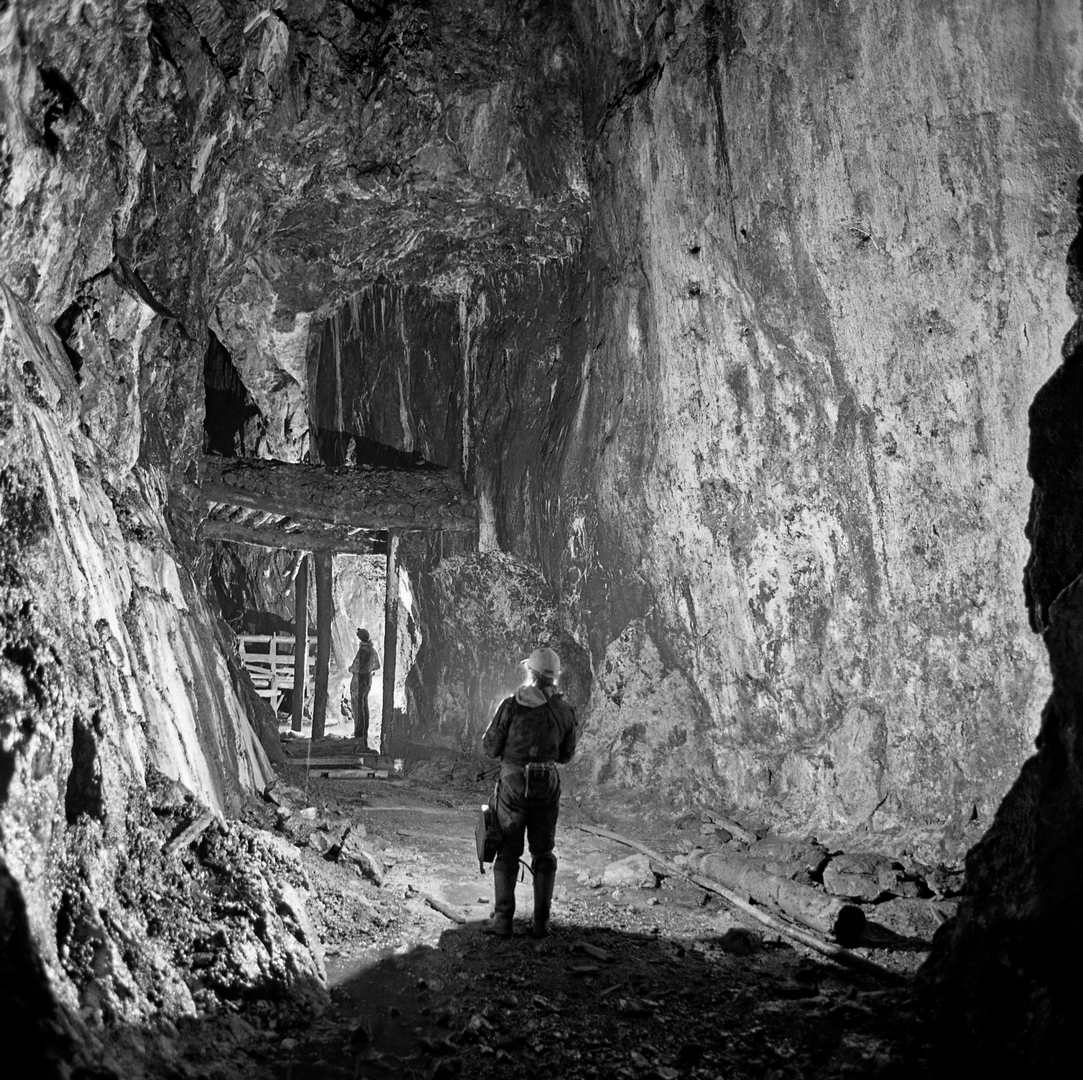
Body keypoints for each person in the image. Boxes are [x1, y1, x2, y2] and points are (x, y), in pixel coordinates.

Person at [481, 645, 577, 938]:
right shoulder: (564, 710)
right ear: (555, 677)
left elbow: (490, 747)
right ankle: (541, 922)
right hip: (546, 786)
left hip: (512, 786)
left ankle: (503, 920)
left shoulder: (511, 705)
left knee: (508, 850)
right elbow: (566, 755)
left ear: (530, 672)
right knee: (543, 852)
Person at [349, 628, 380, 749]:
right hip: (368, 680)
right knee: (364, 705)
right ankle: (364, 732)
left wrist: (351, 669)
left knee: (358, 706)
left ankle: (359, 732)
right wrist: (369, 670)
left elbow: (356, 667)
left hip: (359, 680)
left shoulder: (362, 651)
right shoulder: (372, 650)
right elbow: (377, 665)